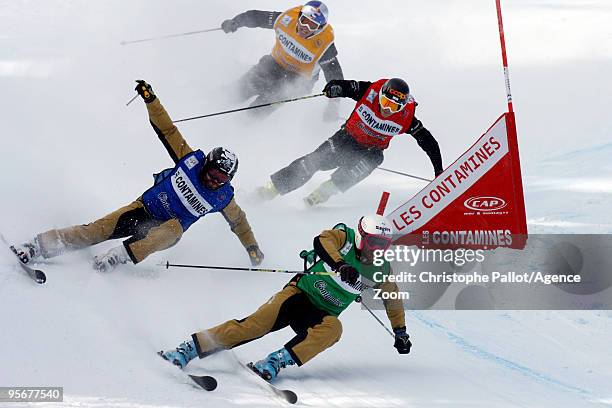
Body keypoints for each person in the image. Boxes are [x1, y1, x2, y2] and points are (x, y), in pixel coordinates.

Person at [11, 80, 264, 272]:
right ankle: (36, 246)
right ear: (206, 164)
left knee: (174, 228)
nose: (214, 181)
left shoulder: (222, 197)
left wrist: (251, 247)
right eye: (212, 175)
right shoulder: (189, 160)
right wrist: (150, 99)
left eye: (221, 179)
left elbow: (239, 222)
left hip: (164, 231)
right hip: (143, 209)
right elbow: (167, 128)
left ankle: (118, 256)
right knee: (96, 230)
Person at [160, 214, 411, 381]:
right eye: (374, 242)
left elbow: (392, 298)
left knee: (334, 329)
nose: (377, 249)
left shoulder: (380, 268)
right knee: (254, 326)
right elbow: (322, 240)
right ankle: (189, 349)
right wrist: (339, 265)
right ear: (362, 236)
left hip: (321, 314)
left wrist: (400, 331)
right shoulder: (344, 237)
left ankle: (276, 361)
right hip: (298, 295)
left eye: (383, 245)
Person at [254, 77, 444, 206]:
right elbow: (345, 86)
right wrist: (333, 88)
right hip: (346, 139)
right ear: (380, 96)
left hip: (370, 151)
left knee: (373, 161)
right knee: (313, 162)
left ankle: (323, 193)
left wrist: (438, 171)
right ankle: (271, 189)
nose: (387, 109)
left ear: (402, 106)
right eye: (385, 102)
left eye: (394, 106)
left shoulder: (407, 118)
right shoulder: (369, 91)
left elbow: (429, 143)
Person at [220, 1, 344, 119]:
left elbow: (334, 74)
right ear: (299, 16)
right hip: (275, 63)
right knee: (240, 90)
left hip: (299, 79)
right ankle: (210, 102)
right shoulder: (287, 19)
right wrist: (235, 22)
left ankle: (241, 125)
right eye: (303, 20)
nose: (304, 27)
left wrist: (334, 105)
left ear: (320, 28)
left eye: (312, 25)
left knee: (266, 103)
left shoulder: (324, 44)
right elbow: (257, 17)